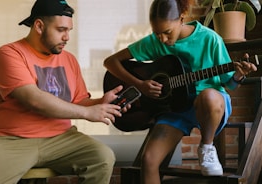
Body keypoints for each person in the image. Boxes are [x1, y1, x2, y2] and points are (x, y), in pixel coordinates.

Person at [0, 0, 126, 183]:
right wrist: (87, 112)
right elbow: (33, 99)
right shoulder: (9, 54)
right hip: (10, 140)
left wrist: (100, 103)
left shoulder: (69, 60)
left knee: (102, 157)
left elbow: (78, 101)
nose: (67, 37)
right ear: (39, 26)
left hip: (60, 139)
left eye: (69, 30)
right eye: (61, 30)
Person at [103, 0, 257, 183]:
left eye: (167, 32)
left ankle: (206, 147)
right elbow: (110, 62)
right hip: (175, 109)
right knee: (149, 160)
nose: (162, 39)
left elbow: (230, 84)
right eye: (157, 33)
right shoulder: (156, 41)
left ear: (182, 18)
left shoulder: (209, 39)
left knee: (207, 95)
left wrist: (238, 75)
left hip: (210, 106)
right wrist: (141, 84)